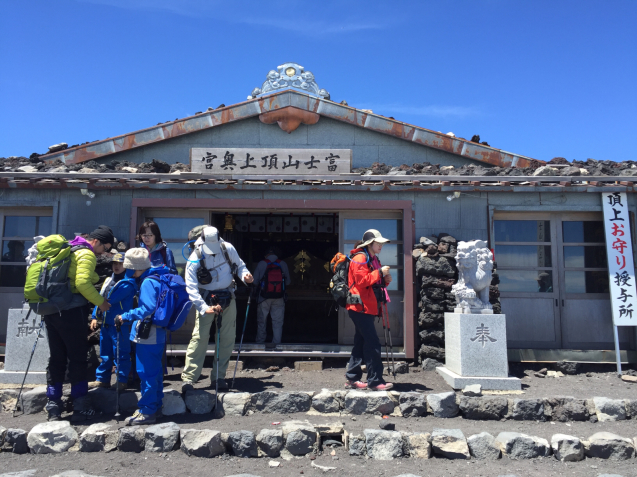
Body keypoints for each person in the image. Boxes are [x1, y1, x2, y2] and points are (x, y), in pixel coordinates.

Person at [44, 225, 115, 422]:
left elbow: (76, 277)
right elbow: (82, 283)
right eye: (105, 247)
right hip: (71, 311)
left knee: (57, 357)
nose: (104, 253)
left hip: (51, 310)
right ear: (98, 241)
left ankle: (53, 405)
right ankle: (80, 404)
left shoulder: (69, 248)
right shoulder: (87, 253)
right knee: (77, 357)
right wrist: (102, 303)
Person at [181, 226, 253, 390]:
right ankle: (189, 379)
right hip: (206, 299)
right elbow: (191, 286)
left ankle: (219, 377)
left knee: (227, 338)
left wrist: (245, 276)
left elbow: (239, 265)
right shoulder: (195, 255)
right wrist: (203, 307)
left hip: (228, 297)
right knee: (199, 338)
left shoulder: (227, 248)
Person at [114, 248, 168, 425]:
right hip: (158, 332)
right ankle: (155, 407)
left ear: (133, 268)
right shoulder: (157, 277)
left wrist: (125, 316)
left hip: (148, 333)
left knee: (146, 373)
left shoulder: (146, 283)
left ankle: (147, 411)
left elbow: (147, 308)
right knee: (155, 372)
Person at [344, 229, 394, 391]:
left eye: (381, 243)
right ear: (369, 244)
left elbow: (373, 285)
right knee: (372, 343)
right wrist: (379, 272)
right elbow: (361, 281)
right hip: (360, 307)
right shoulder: (360, 257)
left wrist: (384, 280)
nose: (381, 245)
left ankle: (352, 378)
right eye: (378, 243)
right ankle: (374, 380)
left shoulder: (372, 258)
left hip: (365, 307)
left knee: (361, 342)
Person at [88, 252, 136, 391]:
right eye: (114, 263)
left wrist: (97, 306)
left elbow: (107, 300)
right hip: (106, 323)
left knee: (121, 353)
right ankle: (102, 379)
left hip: (120, 324)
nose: (117, 266)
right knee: (105, 353)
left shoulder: (128, 283)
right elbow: (100, 298)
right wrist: (95, 316)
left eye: (120, 264)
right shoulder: (109, 280)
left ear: (126, 266)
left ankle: (121, 381)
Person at [252, 247, 291, 349]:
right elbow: (288, 282)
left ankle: (260, 343)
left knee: (262, 320)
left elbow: (255, 282)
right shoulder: (282, 263)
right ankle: (277, 343)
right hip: (279, 297)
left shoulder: (262, 263)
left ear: (266, 255)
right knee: (277, 321)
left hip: (263, 298)